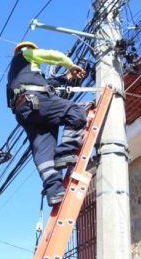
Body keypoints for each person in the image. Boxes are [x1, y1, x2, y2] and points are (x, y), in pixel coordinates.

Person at [7, 41, 87, 206]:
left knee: (43, 151)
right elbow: (54, 56)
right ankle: (65, 153)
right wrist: (70, 65)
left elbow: (49, 85)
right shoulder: (25, 54)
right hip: (35, 101)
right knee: (76, 112)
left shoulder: (19, 77)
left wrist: (67, 77)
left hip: (26, 112)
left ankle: (54, 191)